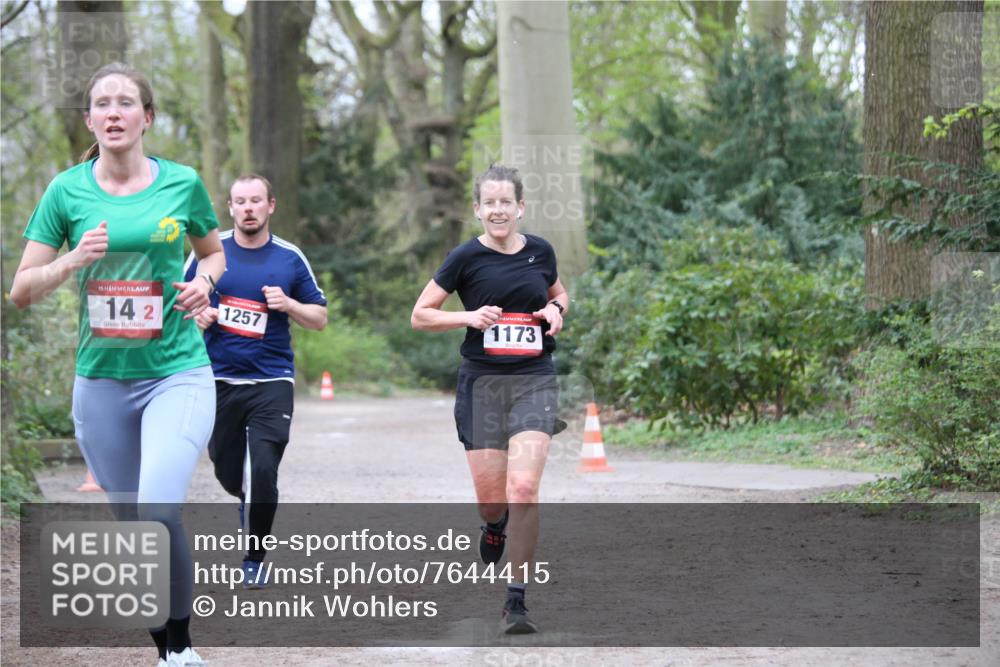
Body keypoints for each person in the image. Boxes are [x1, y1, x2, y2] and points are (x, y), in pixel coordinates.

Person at [9, 63, 223, 667]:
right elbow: (21, 291)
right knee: (133, 527)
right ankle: (163, 649)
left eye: (126, 102)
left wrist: (204, 284)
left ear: (146, 118)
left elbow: (213, 255)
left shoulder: (181, 184)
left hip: (176, 371)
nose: (113, 112)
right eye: (101, 103)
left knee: (158, 507)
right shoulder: (66, 191)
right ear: (90, 120)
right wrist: (73, 259)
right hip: (101, 381)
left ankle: (182, 651)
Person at [411, 164, 569, 634]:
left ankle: (515, 601)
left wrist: (556, 311)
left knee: (523, 489)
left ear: (520, 207)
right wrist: (468, 318)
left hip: (534, 380)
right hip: (482, 384)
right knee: (491, 501)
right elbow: (420, 315)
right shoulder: (464, 258)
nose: (498, 210)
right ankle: (493, 526)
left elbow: (561, 295)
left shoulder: (540, 251)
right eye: (489, 203)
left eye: (506, 202)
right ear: (477, 210)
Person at [185, 174, 327, 587]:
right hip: (218, 379)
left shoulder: (289, 258)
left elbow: (319, 317)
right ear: (229, 208)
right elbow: (179, 305)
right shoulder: (209, 253)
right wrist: (200, 315)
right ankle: (244, 496)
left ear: (271, 206)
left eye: (255, 201)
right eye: (240, 201)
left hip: (271, 380)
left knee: (264, 468)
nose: (248, 208)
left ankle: (255, 557)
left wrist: (290, 304)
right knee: (230, 473)